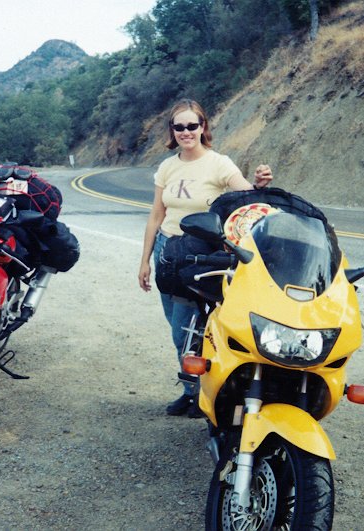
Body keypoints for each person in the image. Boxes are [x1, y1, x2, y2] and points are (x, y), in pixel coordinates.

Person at [138, 99, 273, 417]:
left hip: (202, 256)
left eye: (192, 126)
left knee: (186, 327)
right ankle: (192, 389)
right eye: (179, 126)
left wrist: (260, 185)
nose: (186, 132)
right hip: (167, 251)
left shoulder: (219, 164)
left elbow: (247, 200)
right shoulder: (168, 167)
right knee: (177, 325)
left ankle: (199, 392)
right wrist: (145, 260)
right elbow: (156, 215)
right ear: (172, 131)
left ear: (203, 127)